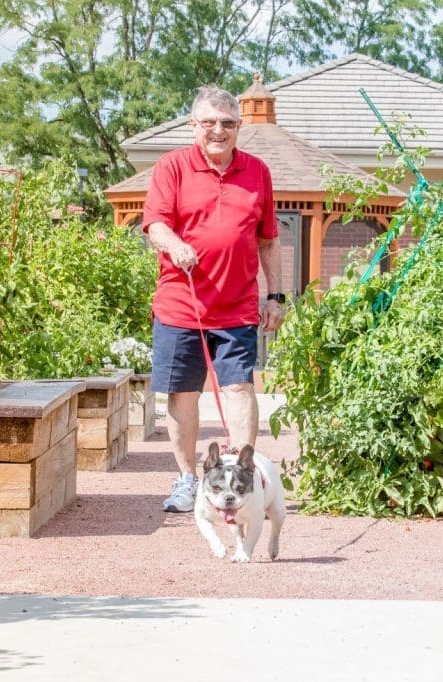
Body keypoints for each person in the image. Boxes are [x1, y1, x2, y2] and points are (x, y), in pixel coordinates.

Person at [142, 85, 285, 513]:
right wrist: (174, 244)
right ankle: (187, 479)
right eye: (209, 123)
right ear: (193, 126)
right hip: (180, 303)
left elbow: (269, 241)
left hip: (238, 304)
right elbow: (154, 225)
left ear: (239, 126)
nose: (218, 131)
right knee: (182, 393)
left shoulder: (257, 171)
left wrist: (275, 295)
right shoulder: (172, 167)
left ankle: (243, 476)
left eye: (227, 123)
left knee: (240, 387)